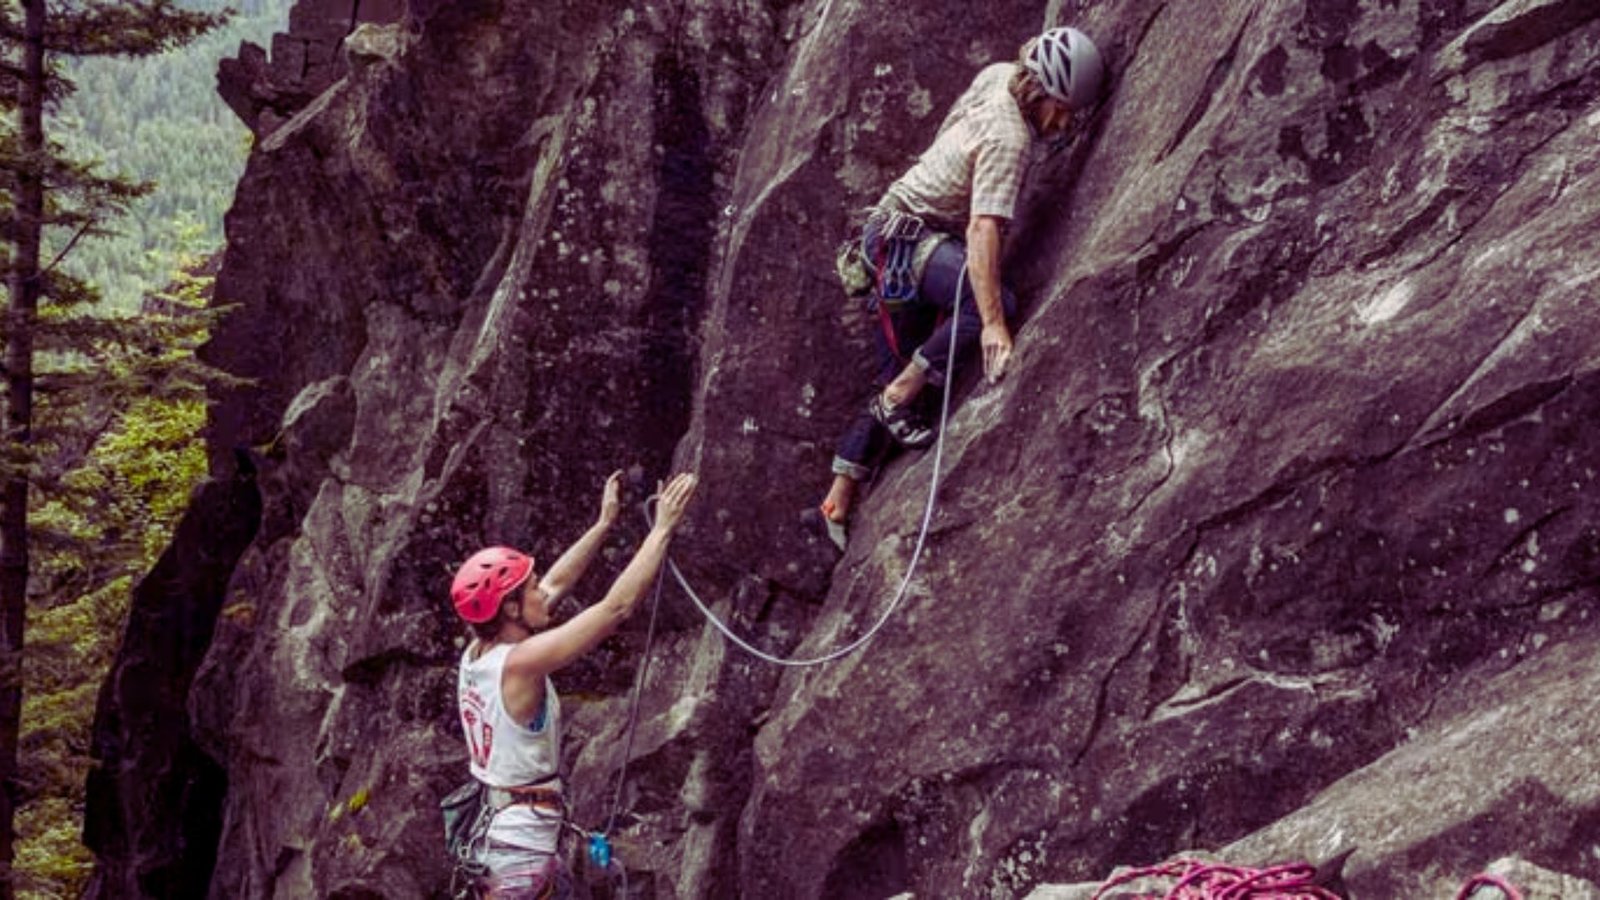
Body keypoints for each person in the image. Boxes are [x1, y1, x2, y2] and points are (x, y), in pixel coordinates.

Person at [812, 26, 1106, 549]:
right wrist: (994, 324)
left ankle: (837, 496)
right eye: (1064, 110)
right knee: (986, 305)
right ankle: (900, 395)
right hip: (909, 242)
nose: (1064, 125)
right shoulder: (1011, 140)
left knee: (897, 376)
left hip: (894, 233)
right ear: (1045, 93)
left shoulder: (997, 76)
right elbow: (983, 227)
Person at [452, 471, 698, 898]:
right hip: (520, 854)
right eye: (529, 590)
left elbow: (555, 584)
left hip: (506, 840)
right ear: (510, 609)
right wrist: (661, 530)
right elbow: (615, 609)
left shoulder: (478, 654)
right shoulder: (519, 663)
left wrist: (603, 524)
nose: (541, 592)